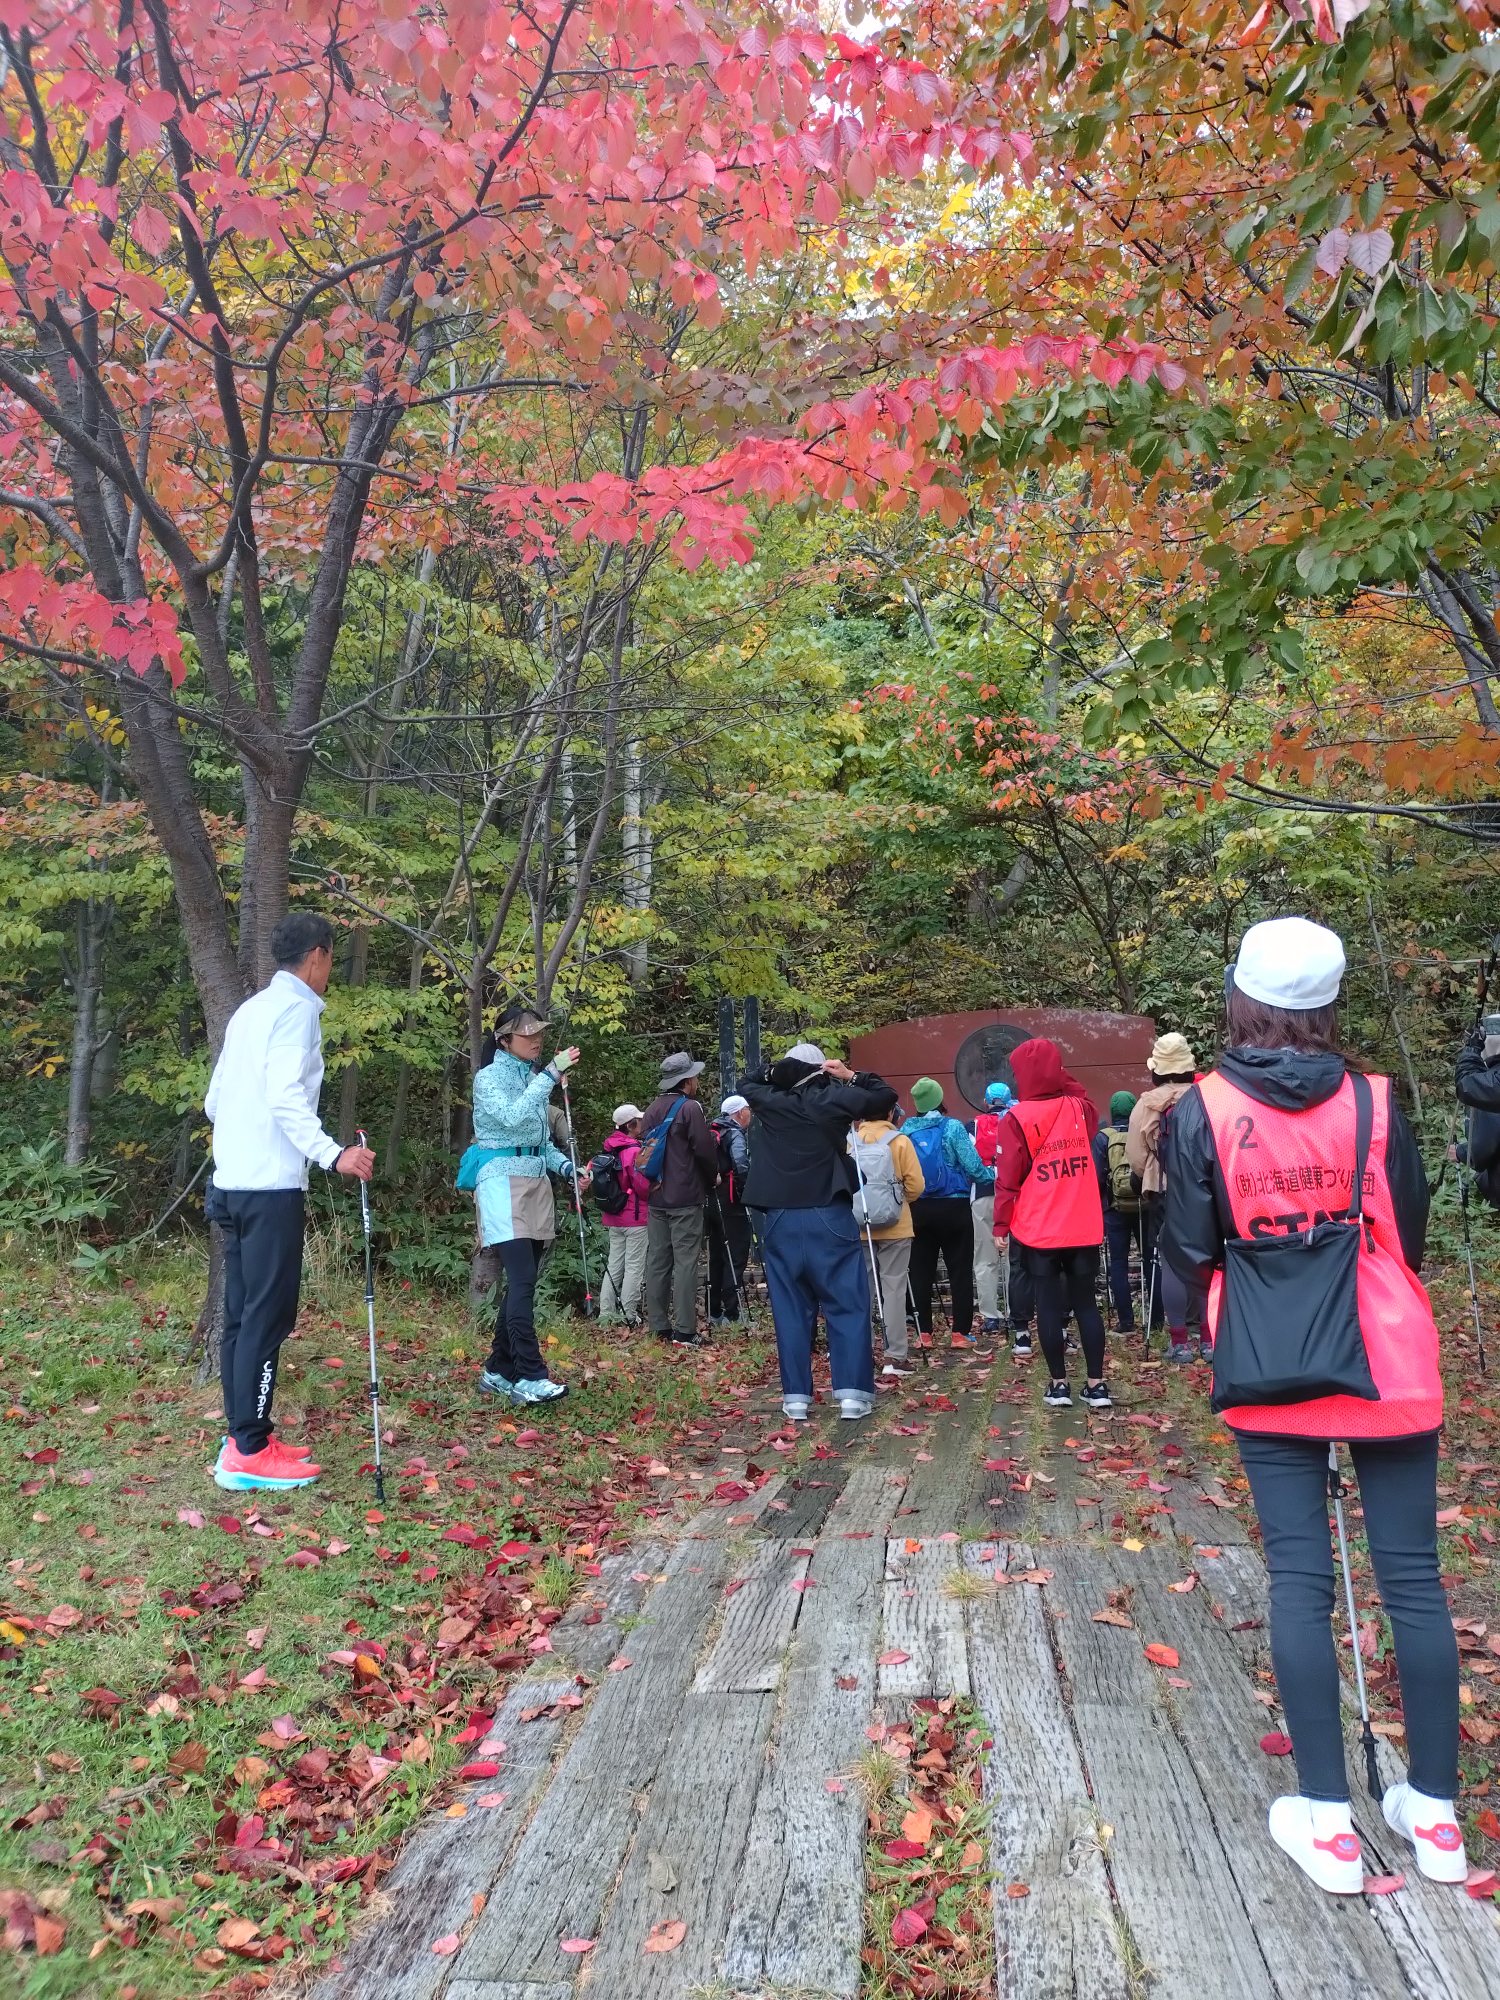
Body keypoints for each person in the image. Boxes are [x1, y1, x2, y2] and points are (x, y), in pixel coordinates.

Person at [1163, 915, 1464, 1897]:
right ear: (1329, 1003)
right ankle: (1437, 1815)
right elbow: (1407, 1229)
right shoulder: (1374, 1098)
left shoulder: (1203, 1107)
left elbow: (1189, 1250)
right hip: (1387, 1353)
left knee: (1299, 1581)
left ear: (1241, 997)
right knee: (1413, 1581)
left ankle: (1328, 1821)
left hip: (1270, 1355)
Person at [204, 912, 375, 1492]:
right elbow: (284, 1096)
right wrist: (333, 1154)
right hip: (270, 1190)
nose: (330, 970)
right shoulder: (297, 1011)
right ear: (318, 955)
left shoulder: (250, 1010)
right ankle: (250, 1451)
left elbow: (214, 1101)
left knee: (241, 1314)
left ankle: (242, 1438)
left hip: (230, 1185)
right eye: (331, 959)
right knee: (267, 1317)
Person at [741, 1042, 892, 1420]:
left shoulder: (771, 1102)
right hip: (829, 1211)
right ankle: (852, 1396)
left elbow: (747, 1082)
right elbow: (885, 1096)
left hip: (780, 1218)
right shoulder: (835, 1099)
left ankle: (795, 1399)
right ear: (822, 1070)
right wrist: (850, 1075)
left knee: (790, 1309)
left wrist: (774, 1073)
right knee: (846, 1303)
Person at [464, 1003, 584, 1405]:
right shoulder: (488, 1079)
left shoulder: (532, 1078)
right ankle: (531, 1375)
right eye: (527, 1034)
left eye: (539, 1033)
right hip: (501, 1183)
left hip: (536, 1184)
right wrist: (549, 1075)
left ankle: (498, 1370)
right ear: (504, 1040)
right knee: (522, 1280)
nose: (537, 1040)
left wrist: (568, 1169)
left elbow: (540, 1143)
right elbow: (512, 1118)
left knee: (524, 1281)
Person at [992, 1037, 1110, 1410]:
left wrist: (1001, 1225)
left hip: (1039, 1226)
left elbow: (1007, 1179)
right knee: (1086, 1303)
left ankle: (1059, 1385)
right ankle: (1097, 1385)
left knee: (1046, 1303)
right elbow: (1082, 1094)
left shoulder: (1015, 1118)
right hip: (1082, 1223)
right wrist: (1057, 1074)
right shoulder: (1079, 1109)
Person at [1128, 1033, 1206, 1362]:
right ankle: (1210, 1339)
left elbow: (1135, 1156)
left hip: (1165, 1191)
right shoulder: (1206, 1096)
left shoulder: (1148, 1103)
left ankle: (1179, 1342)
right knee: (1208, 1261)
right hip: (1205, 1189)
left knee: (1171, 1261)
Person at [903, 1076, 995, 1347]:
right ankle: (960, 1333)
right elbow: (973, 1166)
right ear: (939, 1099)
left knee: (920, 1271)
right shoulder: (952, 1127)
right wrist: (990, 1176)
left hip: (919, 1207)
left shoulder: (906, 1130)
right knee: (960, 1270)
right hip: (955, 1207)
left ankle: (924, 1334)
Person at [640, 1051, 719, 1346]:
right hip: (685, 1194)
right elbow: (704, 1150)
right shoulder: (689, 1108)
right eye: (695, 1077)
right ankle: (685, 1330)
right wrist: (711, 1178)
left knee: (658, 1260)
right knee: (686, 1261)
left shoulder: (651, 1109)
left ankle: (658, 1325)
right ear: (686, 1081)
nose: (697, 1081)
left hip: (657, 1195)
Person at [851, 1085, 926, 1379]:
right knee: (894, 1289)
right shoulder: (900, 1141)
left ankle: (861, 1353)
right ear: (890, 1112)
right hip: (896, 1225)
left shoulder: (850, 1141)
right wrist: (899, 1201)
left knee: (862, 1290)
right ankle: (895, 1356)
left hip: (859, 1225)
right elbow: (916, 1185)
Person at [1093, 1089, 1141, 1335]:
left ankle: (1126, 1321)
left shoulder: (1103, 1137)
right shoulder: (1142, 1132)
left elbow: (1097, 1177)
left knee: (1119, 1263)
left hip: (1114, 1209)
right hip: (1144, 1206)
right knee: (1151, 1260)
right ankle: (1155, 1321)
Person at [598, 1104, 650, 1325]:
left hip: (614, 1217)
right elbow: (642, 1186)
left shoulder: (609, 1149)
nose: (642, 1123)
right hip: (635, 1217)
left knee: (614, 1265)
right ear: (630, 1125)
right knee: (634, 1267)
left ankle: (606, 1314)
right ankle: (628, 1315)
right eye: (639, 1120)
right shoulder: (633, 1151)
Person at [707, 1094, 754, 1324]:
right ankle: (732, 1313)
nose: (750, 1114)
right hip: (732, 1200)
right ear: (739, 1113)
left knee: (716, 1254)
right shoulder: (734, 1133)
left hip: (711, 1199)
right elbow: (741, 1164)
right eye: (748, 1110)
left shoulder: (712, 1131)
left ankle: (714, 1311)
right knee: (736, 1253)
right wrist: (747, 1192)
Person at [971, 1081, 1014, 1335]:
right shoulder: (1016, 1122)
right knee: (1012, 1256)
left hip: (982, 1194)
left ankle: (990, 1316)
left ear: (986, 1102)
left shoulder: (972, 1125)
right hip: (1013, 1195)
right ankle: (1014, 1310)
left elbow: (968, 1160)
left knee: (984, 1258)